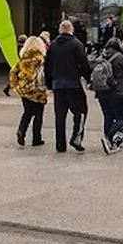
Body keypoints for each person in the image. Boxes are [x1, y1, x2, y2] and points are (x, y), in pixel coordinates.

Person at [45, 20, 90, 153]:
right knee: (81, 111)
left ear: (60, 30)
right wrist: (88, 79)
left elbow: (48, 66)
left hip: (57, 85)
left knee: (60, 116)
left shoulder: (52, 46)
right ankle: (76, 137)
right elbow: (84, 63)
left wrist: (49, 84)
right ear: (72, 30)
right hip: (73, 84)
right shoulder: (76, 44)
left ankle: (60, 145)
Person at [93, 37, 123, 155]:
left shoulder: (100, 58)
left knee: (108, 117)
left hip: (102, 93)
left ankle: (109, 142)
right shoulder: (122, 58)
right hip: (119, 93)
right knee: (120, 118)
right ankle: (108, 138)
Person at [9, 35, 48, 147]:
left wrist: (15, 86)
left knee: (27, 112)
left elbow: (13, 72)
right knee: (38, 115)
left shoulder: (23, 59)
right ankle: (36, 138)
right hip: (38, 89)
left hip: (25, 89)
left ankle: (21, 131)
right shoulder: (41, 59)